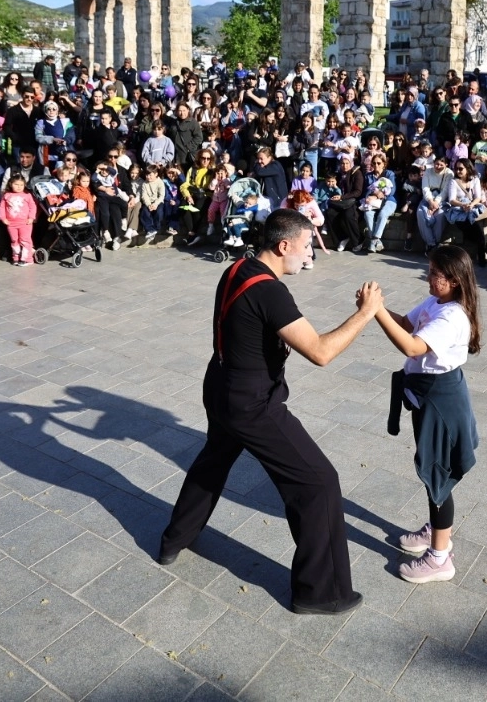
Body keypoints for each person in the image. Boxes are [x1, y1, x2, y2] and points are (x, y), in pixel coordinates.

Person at [159, 209, 383, 615]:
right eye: (306, 246)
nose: (310, 254)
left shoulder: (237, 267)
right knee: (319, 482)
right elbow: (320, 351)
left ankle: (174, 539)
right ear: (284, 246)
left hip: (221, 385)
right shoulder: (270, 292)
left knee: (213, 462)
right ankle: (322, 593)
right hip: (252, 403)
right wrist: (366, 313)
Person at [373, 244, 480, 584]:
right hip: (427, 395)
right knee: (433, 470)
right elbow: (406, 324)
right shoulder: (436, 302)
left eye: (436, 273)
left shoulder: (452, 316)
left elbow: (411, 345)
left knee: (438, 475)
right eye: (430, 270)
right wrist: (377, 308)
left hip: (441, 401)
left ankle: (439, 558)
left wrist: (375, 312)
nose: (429, 277)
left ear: (455, 280)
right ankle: (437, 530)